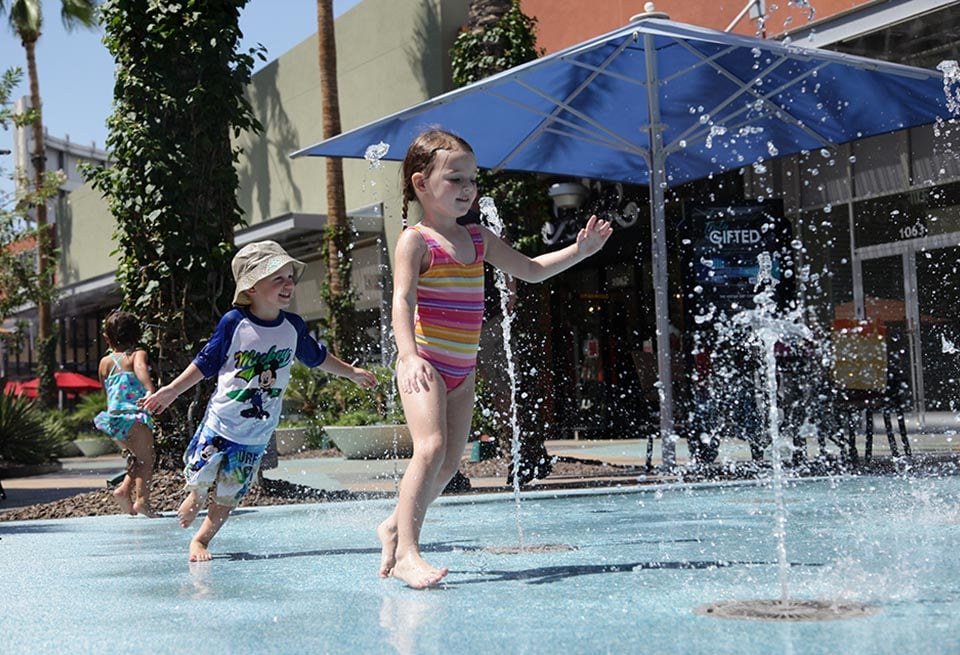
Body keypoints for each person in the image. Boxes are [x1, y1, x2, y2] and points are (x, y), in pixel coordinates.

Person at [379, 129, 613, 588]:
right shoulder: (416, 241)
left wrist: (580, 252)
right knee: (429, 449)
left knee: (448, 465)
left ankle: (393, 526)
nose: (468, 188)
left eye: (472, 179)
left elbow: (531, 269)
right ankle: (407, 552)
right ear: (422, 184)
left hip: (462, 372)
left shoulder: (478, 239)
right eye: (455, 179)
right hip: (426, 365)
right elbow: (402, 302)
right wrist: (407, 356)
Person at [140, 241, 378, 561]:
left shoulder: (292, 327)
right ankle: (195, 495)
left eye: (290, 277)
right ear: (251, 287)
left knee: (228, 497)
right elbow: (205, 362)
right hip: (220, 425)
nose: (288, 284)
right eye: (277, 278)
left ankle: (201, 540)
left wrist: (350, 372)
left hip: (255, 437)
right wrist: (170, 390)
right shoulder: (235, 322)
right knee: (200, 476)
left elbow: (317, 357)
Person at [94, 310, 159, 518]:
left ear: (107, 337)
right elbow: (140, 368)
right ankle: (142, 501)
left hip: (113, 419)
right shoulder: (136, 355)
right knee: (147, 459)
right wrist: (149, 388)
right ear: (138, 336)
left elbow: (105, 390)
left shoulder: (105, 362)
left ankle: (123, 490)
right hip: (134, 416)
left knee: (138, 458)